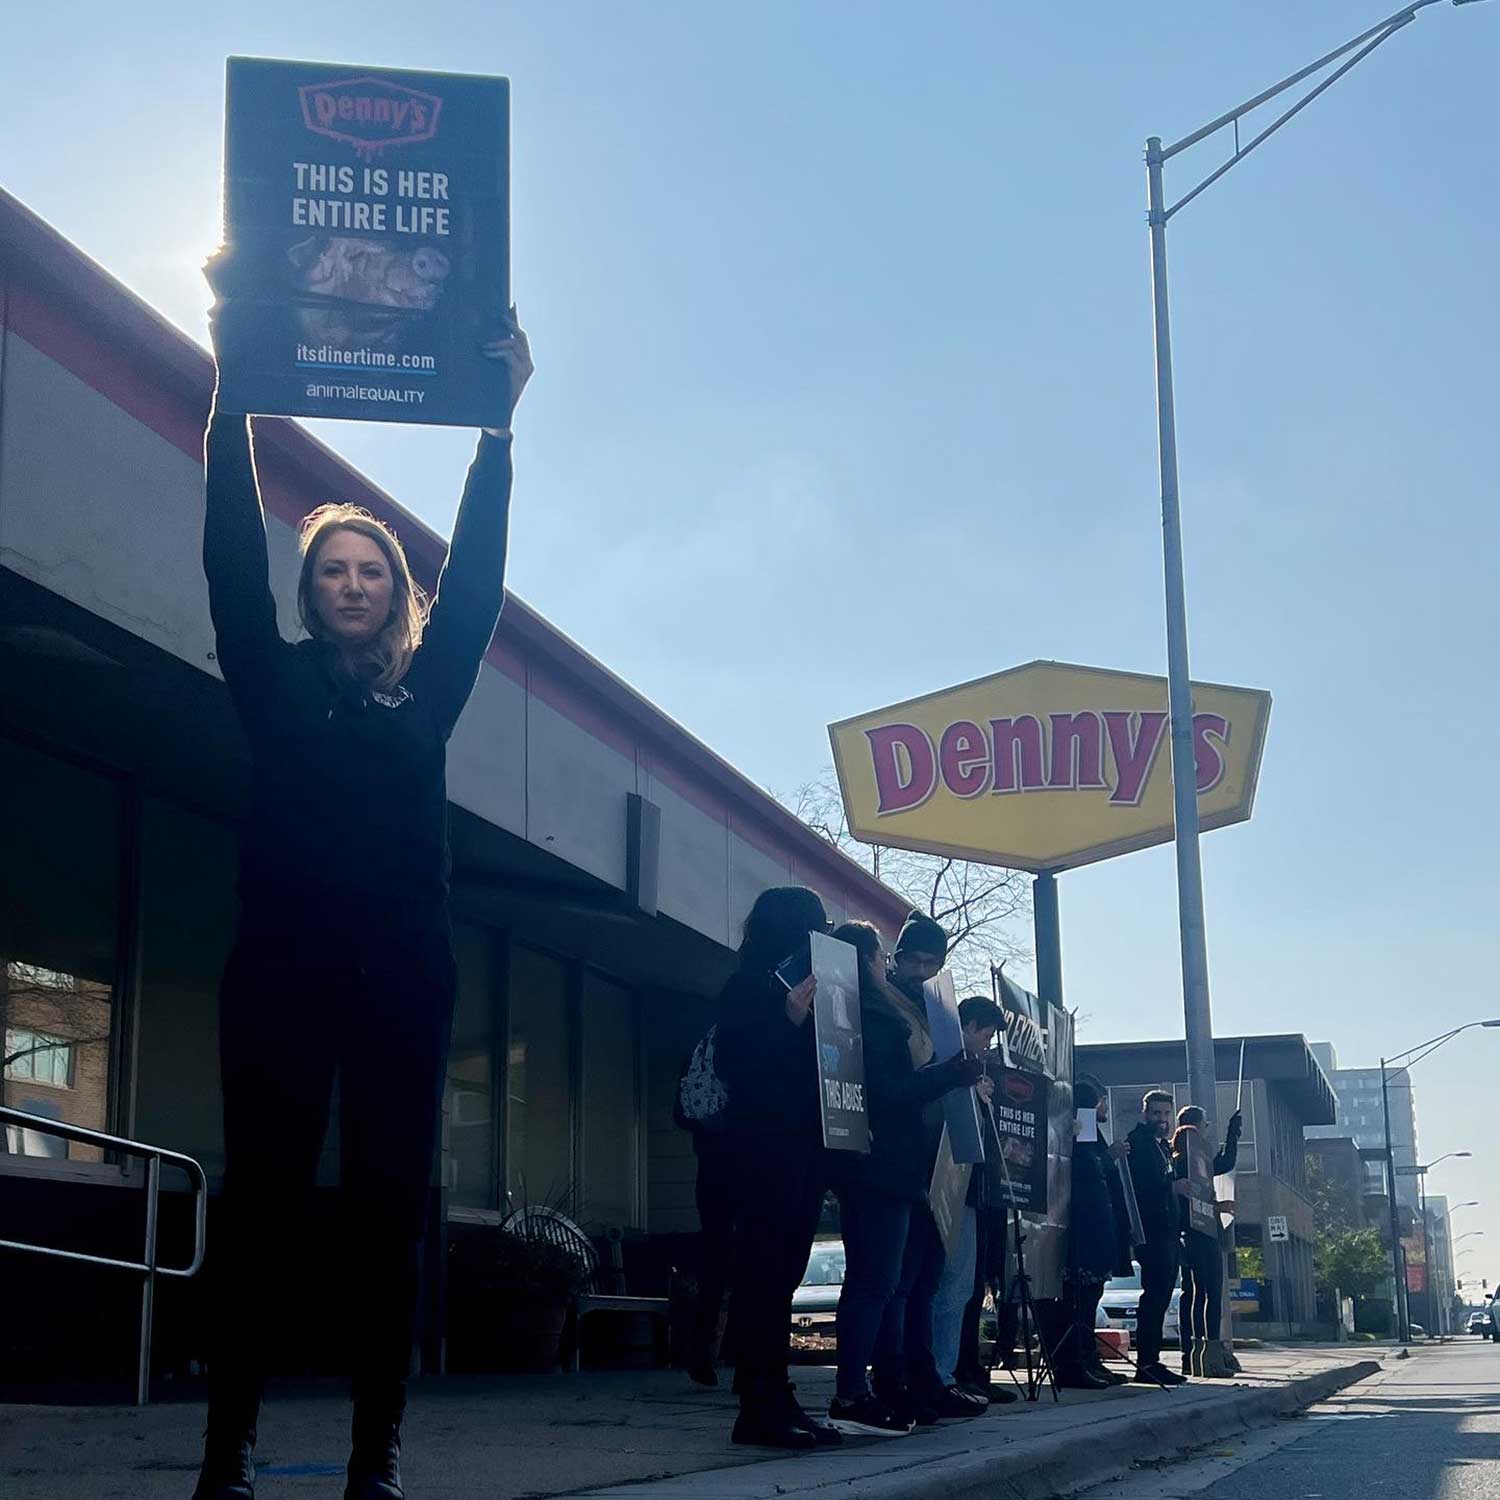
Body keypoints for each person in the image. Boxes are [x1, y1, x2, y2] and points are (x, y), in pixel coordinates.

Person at [192, 308, 533, 1500]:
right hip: (278, 973)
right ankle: (226, 1448)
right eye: (333, 569)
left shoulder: (427, 697)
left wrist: (497, 432)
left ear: (397, 596)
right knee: (264, 1206)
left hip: (402, 979)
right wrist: (232, 394)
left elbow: (479, 581)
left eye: (371, 571)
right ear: (312, 588)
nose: (351, 584)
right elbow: (229, 550)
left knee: (389, 1210)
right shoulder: (268, 677)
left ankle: (374, 1454)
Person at [824, 921, 986, 1436]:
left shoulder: (919, 1011)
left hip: (919, 1165)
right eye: (897, 960)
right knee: (880, 1284)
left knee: (908, 1281)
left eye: (928, 964)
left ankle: (906, 1383)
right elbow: (892, 1089)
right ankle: (865, 1388)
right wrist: (950, 1074)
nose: (913, 972)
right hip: (885, 1162)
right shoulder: (878, 1012)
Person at [712, 886, 844, 1449]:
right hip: (764, 1153)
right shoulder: (747, 987)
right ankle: (758, 1403)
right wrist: (788, 1020)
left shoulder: (809, 988)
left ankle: (775, 1392)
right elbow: (733, 1064)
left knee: (784, 1273)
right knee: (764, 1274)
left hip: (802, 1149)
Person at [934, 997, 1017, 1406]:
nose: (987, 1044)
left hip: (974, 1191)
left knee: (963, 1286)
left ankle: (954, 1370)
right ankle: (941, 1373)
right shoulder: (946, 1063)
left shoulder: (973, 1072)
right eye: (985, 1034)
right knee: (951, 1286)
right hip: (949, 1187)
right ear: (967, 1026)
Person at [1057, 1080, 1133, 1389]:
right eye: (1100, 1102)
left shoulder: (1094, 1137)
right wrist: (1109, 1156)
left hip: (1101, 1230)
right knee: (1081, 1303)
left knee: (1090, 1303)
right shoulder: (1080, 1135)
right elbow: (1083, 1170)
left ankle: (1090, 1359)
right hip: (1084, 1233)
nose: (1104, 1108)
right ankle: (1075, 1362)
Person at [1171, 1104, 1242, 1378]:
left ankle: (1192, 1356)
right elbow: (1225, 1163)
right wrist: (1232, 1136)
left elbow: (1217, 1171)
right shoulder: (1191, 1159)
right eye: (1205, 1125)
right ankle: (1209, 1356)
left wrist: (1216, 1206)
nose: (1205, 1130)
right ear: (1196, 1128)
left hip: (1188, 1235)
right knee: (1209, 1293)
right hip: (1200, 1235)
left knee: (1194, 1295)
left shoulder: (1180, 1158)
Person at [1125, 1090, 1188, 1386]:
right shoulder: (1138, 1143)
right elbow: (1142, 1186)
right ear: (1145, 1113)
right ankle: (1147, 1363)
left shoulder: (1162, 1147)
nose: (1161, 1120)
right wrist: (1172, 1187)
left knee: (1161, 1297)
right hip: (1151, 1231)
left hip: (1169, 1231)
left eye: (1166, 1115)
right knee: (1153, 1297)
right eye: (1156, 1113)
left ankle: (1153, 1360)